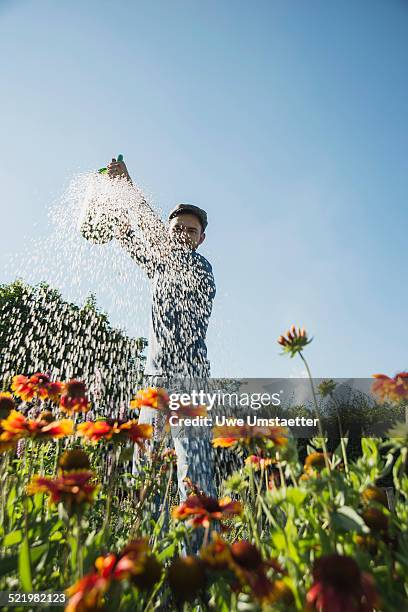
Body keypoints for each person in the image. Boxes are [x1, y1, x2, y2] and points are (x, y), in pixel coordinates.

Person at [105, 156, 217, 501]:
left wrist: (127, 185)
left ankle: (198, 551)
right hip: (154, 379)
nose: (183, 233)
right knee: (145, 466)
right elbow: (130, 240)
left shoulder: (200, 267)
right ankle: (150, 550)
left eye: (191, 229)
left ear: (201, 239)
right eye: (177, 228)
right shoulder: (160, 265)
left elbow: (152, 236)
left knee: (193, 469)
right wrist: (111, 213)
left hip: (190, 380)